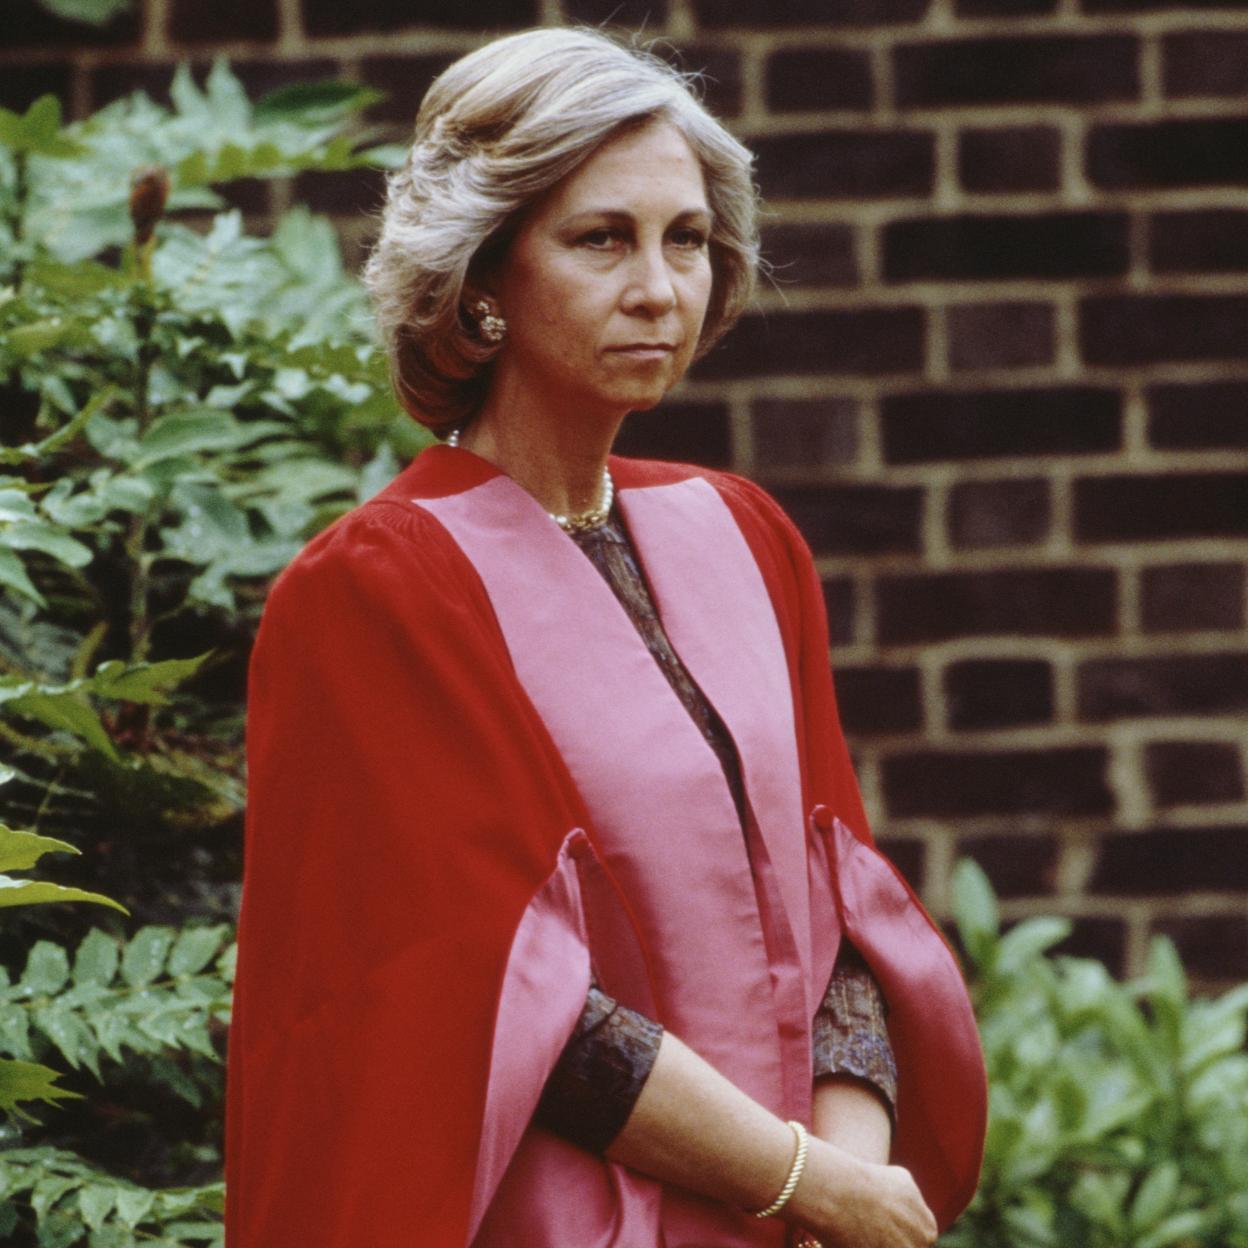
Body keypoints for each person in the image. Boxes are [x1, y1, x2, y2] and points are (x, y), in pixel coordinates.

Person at [224, 26, 986, 1248]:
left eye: (686, 239)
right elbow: (503, 994)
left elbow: (840, 909)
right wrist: (808, 1182)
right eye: (600, 239)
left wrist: (851, 1184)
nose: (659, 288)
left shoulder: (744, 535)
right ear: (481, 278)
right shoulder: (380, 588)